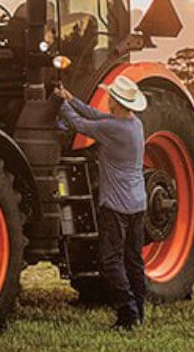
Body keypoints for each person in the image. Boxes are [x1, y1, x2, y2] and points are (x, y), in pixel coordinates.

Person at [54, 75, 149, 330]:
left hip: (116, 205)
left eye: (111, 98)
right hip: (138, 202)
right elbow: (95, 115)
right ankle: (139, 310)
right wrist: (70, 97)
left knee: (110, 261)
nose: (107, 101)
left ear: (116, 103)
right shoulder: (134, 124)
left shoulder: (114, 129)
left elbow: (80, 124)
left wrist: (58, 104)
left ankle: (127, 314)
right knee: (133, 259)